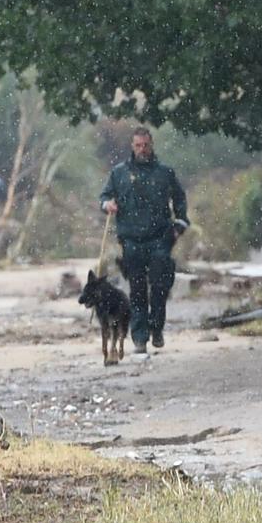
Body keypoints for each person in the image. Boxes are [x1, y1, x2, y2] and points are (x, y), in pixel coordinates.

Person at [99, 127, 189, 355]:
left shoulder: (165, 173)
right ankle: (139, 336)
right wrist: (107, 204)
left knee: (160, 287)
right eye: (138, 145)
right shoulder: (119, 173)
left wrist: (180, 225)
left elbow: (179, 199)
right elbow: (104, 196)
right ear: (132, 146)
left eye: (146, 145)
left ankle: (156, 328)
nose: (142, 149)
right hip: (131, 240)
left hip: (160, 238)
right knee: (137, 290)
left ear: (152, 145)